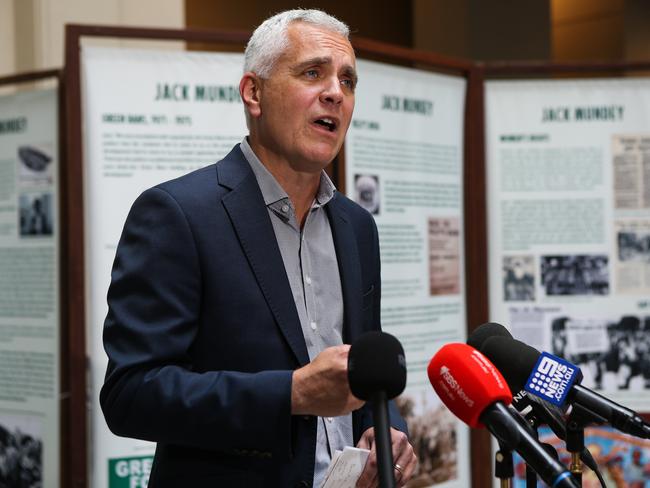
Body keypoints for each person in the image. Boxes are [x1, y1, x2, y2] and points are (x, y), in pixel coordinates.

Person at [100, 8, 417, 488]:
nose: (335, 92)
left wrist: (385, 424)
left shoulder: (356, 226)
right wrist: (289, 393)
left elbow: (364, 366)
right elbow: (131, 395)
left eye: (348, 81)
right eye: (313, 73)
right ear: (254, 93)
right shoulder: (178, 214)